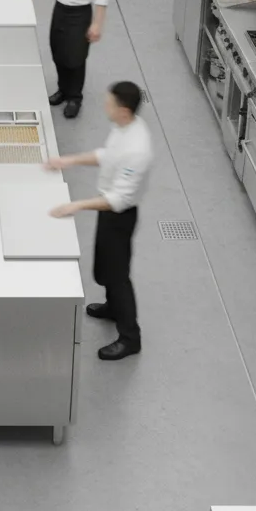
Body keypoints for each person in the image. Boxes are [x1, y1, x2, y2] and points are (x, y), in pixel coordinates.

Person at [45, 81, 152, 361]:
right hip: (109, 211)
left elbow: (118, 199)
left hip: (120, 215)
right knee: (105, 266)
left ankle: (130, 338)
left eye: (109, 104)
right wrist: (68, 161)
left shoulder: (137, 150)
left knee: (118, 277)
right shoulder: (125, 127)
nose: (104, 107)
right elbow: (106, 156)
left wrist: (75, 205)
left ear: (124, 110)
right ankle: (112, 307)